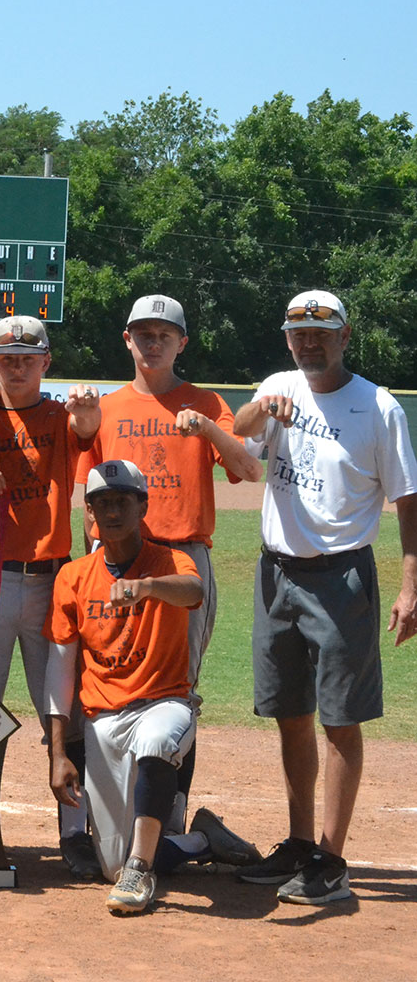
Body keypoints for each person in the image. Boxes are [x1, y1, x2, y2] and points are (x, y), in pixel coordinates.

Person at [231, 289, 417, 905]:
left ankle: (332, 861)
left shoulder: (379, 407)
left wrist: (412, 584)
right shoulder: (278, 383)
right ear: (288, 338)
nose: (308, 342)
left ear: (344, 336)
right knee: (290, 713)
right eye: (298, 333)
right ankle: (300, 841)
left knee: (340, 719)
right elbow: (239, 442)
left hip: (341, 579)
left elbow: (408, 502)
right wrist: (260, 410)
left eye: (321, 332)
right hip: (275, 573)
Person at [77, 294, 264, 834]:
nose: (152, 342)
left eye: (164, 334)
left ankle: (172, 820)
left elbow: (248, 468)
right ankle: (102, 820)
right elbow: (88, 496)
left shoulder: (206, 402)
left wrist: (207, 429)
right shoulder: (107, 408)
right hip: (114, 558)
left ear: (182, 342)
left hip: (183, 556)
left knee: (178, 688)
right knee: (104, 678)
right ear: (127, 339)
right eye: (143, 332)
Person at [44, 459, 260, 916]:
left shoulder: (169, 560)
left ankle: (141, 869)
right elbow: (60, 670)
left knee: (157, 742)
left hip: (164, 704)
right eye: (102, 503)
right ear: (89, 513)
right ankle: (201, 838)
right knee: (109, 865)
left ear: (143, 506)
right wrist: (59, 752)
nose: (112, 511)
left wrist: (146, 587)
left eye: (123, 501)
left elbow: (191, 591)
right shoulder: (74, 577)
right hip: (105, 722)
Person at [0, 314, 102, 877]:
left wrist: (88, 414)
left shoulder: (60, 415)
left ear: (46, 362)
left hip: (53, 579)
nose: (17, 367)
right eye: (7, 358)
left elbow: (88, 433)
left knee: (65, 709)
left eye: (28, 358)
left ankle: (75, 832)